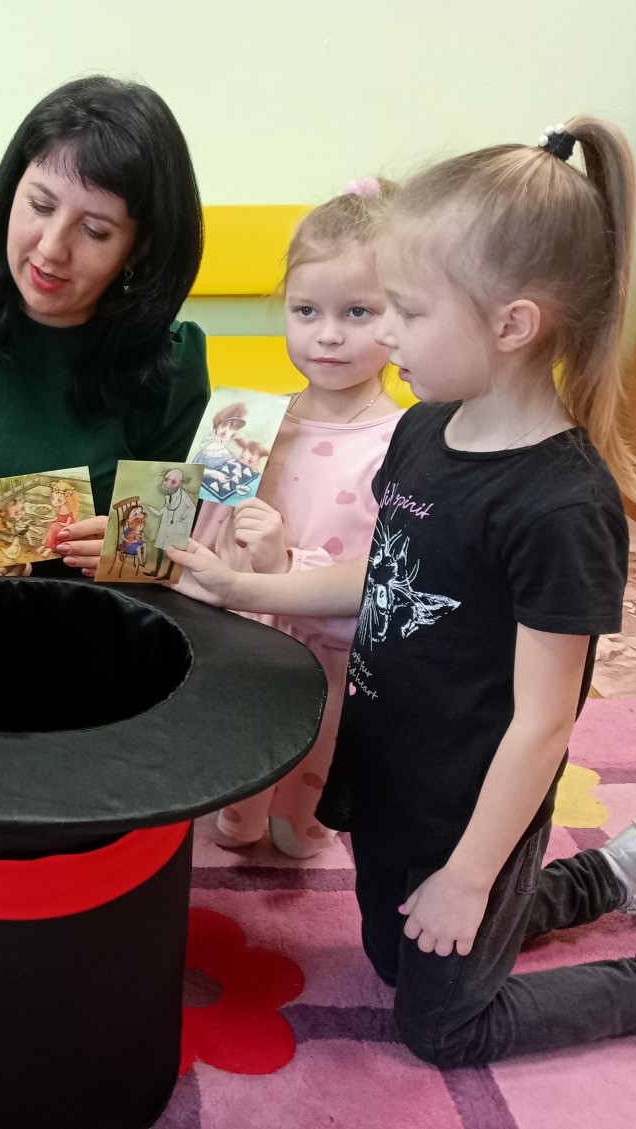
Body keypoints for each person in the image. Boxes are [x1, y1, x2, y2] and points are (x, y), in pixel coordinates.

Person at [171, 120, 636, 1064]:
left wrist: (468, 873)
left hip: (472, 801)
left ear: (512, 324)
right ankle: (616, 873)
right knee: (390, 954)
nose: (387, 335)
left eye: (408, 312)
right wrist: (248, 579)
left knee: (440, 1025)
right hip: (392, 769)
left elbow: (542, 724)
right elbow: (389, 574)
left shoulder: (561, 506)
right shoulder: (425, 432)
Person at [0, 75, 209, 575]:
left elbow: (163, 553)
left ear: (138, 250)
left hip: (93, 609)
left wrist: (132, 552)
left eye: (95, 230)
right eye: (40, 205)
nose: (52, 248)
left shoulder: (170, 364)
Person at [196, 181, 401, 858]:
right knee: (239, 797)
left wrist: (285, 562)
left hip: (333, 658)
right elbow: (204, 531)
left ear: (403, 313)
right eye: (306, 310)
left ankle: (302, 820)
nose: (328, 334)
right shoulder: (250, 420)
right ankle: (243, 813)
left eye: (358, 311)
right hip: (250, 644)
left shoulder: (400, 442)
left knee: (302, 822)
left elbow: (386, 579)